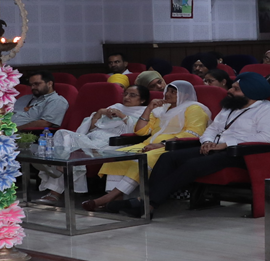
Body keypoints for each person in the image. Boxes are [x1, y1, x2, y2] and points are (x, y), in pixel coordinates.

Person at [113, 73, 270, 216]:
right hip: (213, 148)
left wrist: (227, 144)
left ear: (251, 92)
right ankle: (146, 202)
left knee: (192, 164)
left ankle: (147, 204)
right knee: (168, 157)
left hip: (241, 154)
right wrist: (207, 141)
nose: (229, 90)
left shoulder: (269, 110)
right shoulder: (231, 106)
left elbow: (266, 137)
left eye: (236, 89)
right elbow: (212, 128)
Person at [85, 80, 211, 212]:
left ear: (185, 95)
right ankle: (116, 201)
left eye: (173, 92)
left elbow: (193, 133)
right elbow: (141, 131)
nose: (167, 94)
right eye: (167, 90)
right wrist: (149, 108)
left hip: (174, 147)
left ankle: (106, 199)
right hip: (148, 143)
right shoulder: (161, 109)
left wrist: (161, 144)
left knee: (140, 159)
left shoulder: (194, 109)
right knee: (118, 156)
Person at [35, 83, 150, 204]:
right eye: (125, 94)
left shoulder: (144, 112)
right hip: (91, 139)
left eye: (132, 95)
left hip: (111, 144)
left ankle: (54, 192)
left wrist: (123, 116)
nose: (127, 97)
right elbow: (90, 127)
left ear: (142, 100)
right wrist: (100, 113)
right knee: (62, 134)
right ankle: (60, 165)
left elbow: (138, 131)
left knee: (70, 153)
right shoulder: (115, 106)